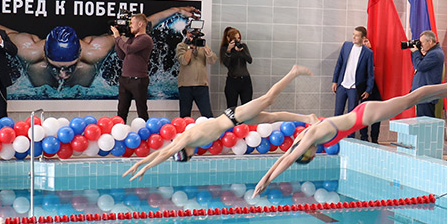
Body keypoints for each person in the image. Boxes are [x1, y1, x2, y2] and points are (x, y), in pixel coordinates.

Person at [0, 0, 196, 91]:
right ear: (44, 53)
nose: (62, 74)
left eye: (69, 67)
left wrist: (175, 12)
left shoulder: (97, 49)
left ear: (81, 55)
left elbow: (147, 24)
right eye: (57, 66)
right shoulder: (27, 48)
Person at [253, 78, 447, 195]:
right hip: (362, 112)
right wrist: (264, 178)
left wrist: (265, 180)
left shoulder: (312, 138)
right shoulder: (305, 137)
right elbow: (284, 157)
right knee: (411, 101)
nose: (314, 155)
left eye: (311, 156)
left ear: (307, 153)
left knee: (411, 98)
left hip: (366, 114)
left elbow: (288, 159)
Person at [124, 65, 315, 180]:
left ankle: (293, 72)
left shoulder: (187, 139)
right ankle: (307, 118)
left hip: (233, 116)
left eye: (189, 157)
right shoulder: (189, 143)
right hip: (234, 120)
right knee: (273, 117)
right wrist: (140, 164)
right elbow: (162, 151)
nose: (192, 156)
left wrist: (145, 167)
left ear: (185, 154)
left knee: (268, 98)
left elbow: (165, 153)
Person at [332, 26, 375, 128]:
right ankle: (334, 138)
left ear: (363, 38)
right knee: (338, 114)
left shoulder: (368, 53)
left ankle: (350, 140)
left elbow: (370, 73)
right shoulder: (346, 46)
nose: (354, 37)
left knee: (352, 117)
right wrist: (335, 81)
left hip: (355, 88)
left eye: (357, 36)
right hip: (342, 85)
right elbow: (339, 64)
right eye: (353, 35)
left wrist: (368, 90)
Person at [113, 13, 153, 123]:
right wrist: (118, 39)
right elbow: (121, 55)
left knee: (141, 110)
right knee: (121, 111)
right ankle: (119, 133)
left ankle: (145, 134)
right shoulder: (131, 39)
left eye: (132, 23)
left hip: (138, 80)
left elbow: (129, 50)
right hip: (125, 79)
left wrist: (118, 38)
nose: (130, 26)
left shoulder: (145, 39)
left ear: (140, 24)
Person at [175, 30, 216, 119]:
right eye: (190, 33)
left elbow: (212, 60)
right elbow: (184, 61)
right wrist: (190, 47)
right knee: (185, 116)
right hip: (185, 86)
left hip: (202, 85)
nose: (192, 36)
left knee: (207, 115)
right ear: (186, 33)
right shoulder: (181, 46)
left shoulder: (202, 46)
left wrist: (205, 47)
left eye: (194, 34)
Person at [410, 30, 445, 118]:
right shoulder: (432, 52)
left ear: (430, 41)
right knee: (422, 124)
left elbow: (420, 66)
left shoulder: (435, 54)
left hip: (426, 96)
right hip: (423, 95)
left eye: (422, 42)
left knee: (425, 124)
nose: (420, 45)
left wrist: (415, 52)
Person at [219, 27, 253, 109]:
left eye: (239, 38)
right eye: (235, 38)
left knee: (247, 107)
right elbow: (226, 64)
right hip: (232, 80)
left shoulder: (243, 46)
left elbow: (250, 60)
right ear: (228, 38)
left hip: (245, 80)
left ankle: (246, 122)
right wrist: (229, 50)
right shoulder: (225, 48)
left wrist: (242, 51)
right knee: (231, 107)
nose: (237, 41)